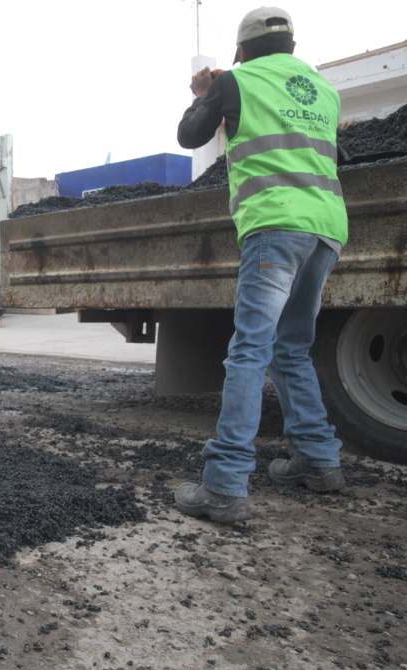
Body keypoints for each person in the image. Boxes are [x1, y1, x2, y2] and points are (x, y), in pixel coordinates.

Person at [173, 7, 348, 523]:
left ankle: (225, 485)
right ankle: (319, 462)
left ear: (242, 50)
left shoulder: (237, 82)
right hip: (327, 229)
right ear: (290, 48)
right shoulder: (325, 90)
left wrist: (204, 93)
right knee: (292, 350)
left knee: (250, 350)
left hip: (274, 225)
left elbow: (190, 137)